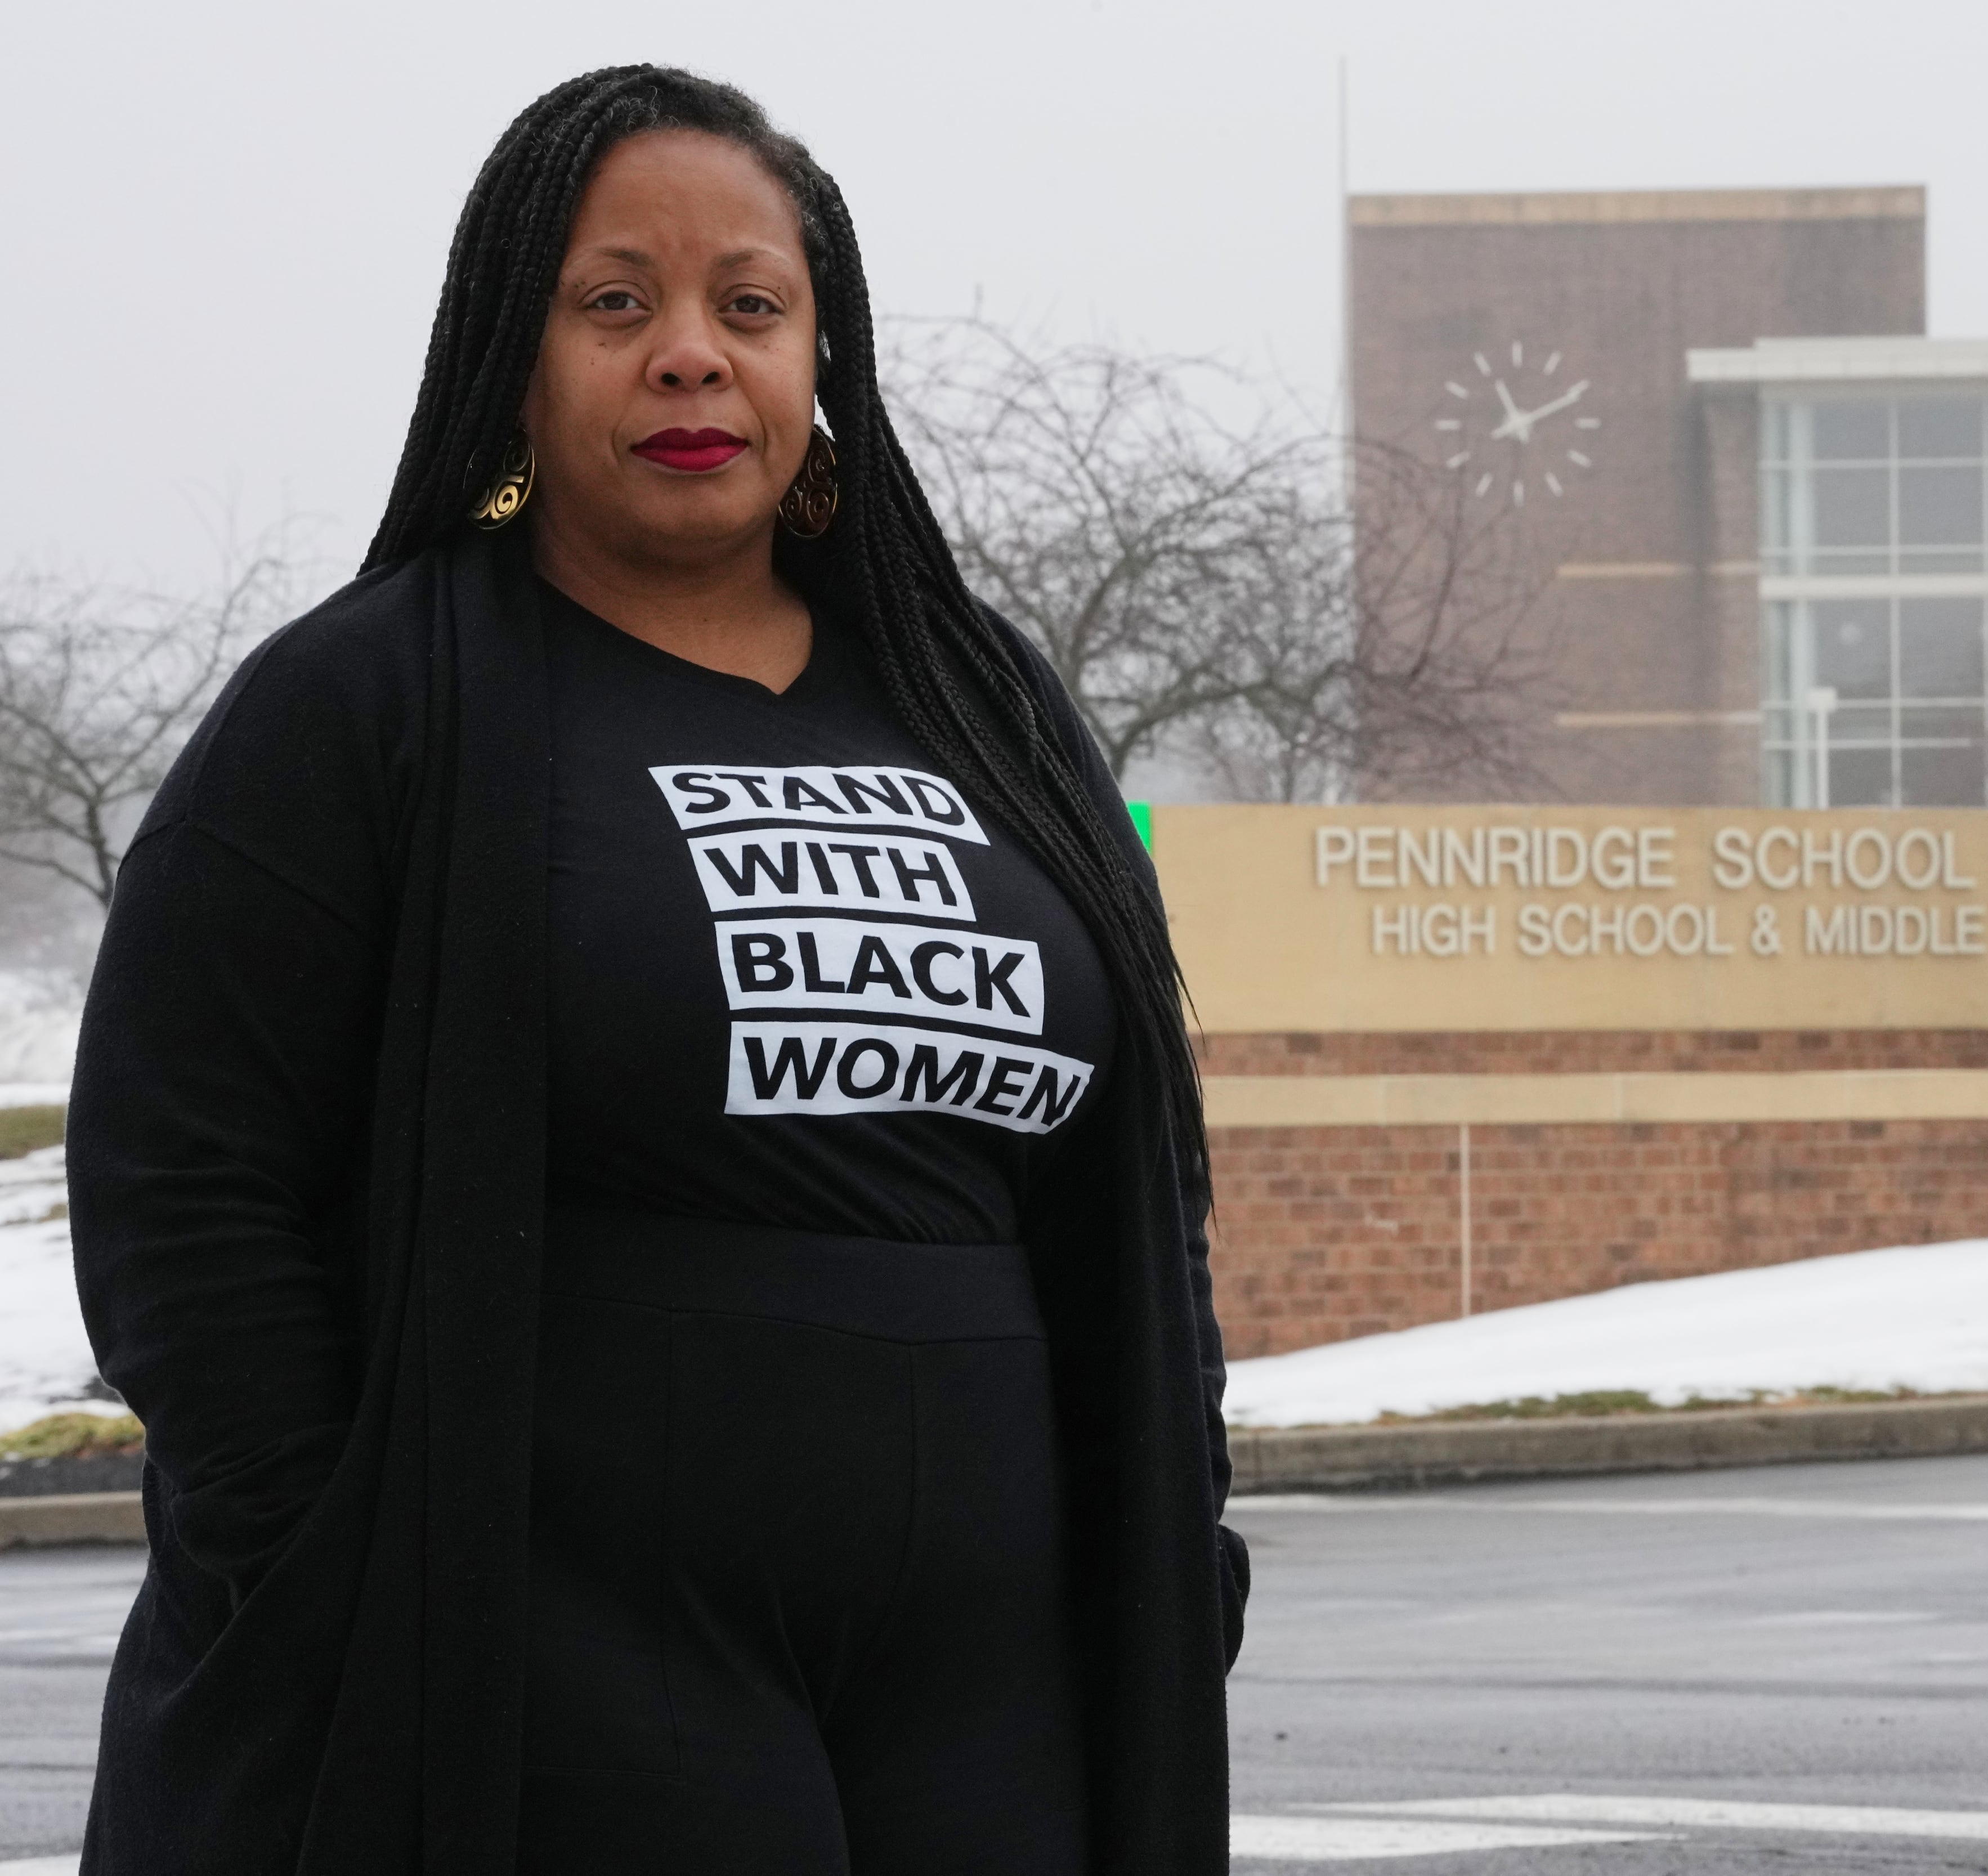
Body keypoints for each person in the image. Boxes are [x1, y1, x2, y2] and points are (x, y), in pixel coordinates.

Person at [66, 66, 1245, 1876]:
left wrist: (1191, 1518)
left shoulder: (984, 702)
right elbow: (181, 1178)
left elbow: (1141, 1176)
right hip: (563, 1655)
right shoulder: (372, 700)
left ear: (818, 355)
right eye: (616, 303)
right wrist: (319, 1548)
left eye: (750, 306)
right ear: (512, 360)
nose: (691, 355)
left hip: (1003, 1667)